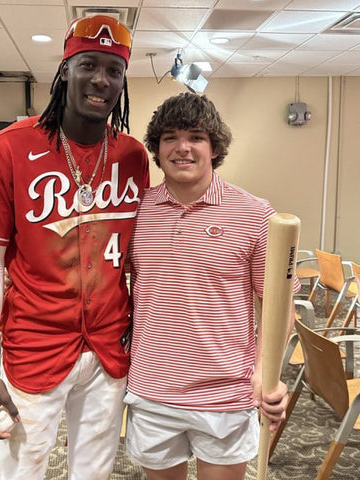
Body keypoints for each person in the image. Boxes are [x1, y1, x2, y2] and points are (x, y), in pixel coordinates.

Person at [0, 15, 149, 480]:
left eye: (114, 69)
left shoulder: (132, 156)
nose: (101, 79)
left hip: (107, 347)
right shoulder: (6, 149)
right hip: (35, 344)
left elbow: (137, 258)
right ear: (65, 70)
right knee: (22, 470)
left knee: (95, 472)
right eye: (88, 64)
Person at [124, 92, 298, 480]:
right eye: (169, 136)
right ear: (156, 147)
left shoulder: (254, 214)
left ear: (214, 147)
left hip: (225, 395)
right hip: (153, 390)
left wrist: (264, 371)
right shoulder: (134, 211)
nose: (182, 147)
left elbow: (278, 304)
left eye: (196, 137)